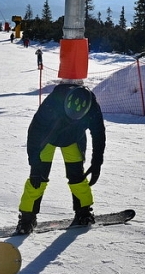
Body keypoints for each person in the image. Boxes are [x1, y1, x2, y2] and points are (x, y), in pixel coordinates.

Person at [15, 83, 106, 234]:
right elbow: (34, 134)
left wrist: (97, 163)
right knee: (38, 179)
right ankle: (27, 218)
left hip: (73, 139)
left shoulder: (92, 109)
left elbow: (99, 135)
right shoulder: (51, 104)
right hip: (47, 139)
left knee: (77, 177)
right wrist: (35, 166)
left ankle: (84, 212)